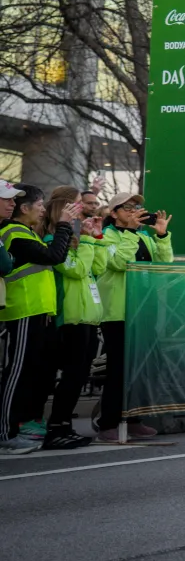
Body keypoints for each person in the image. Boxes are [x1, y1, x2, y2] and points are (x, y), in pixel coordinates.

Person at [0, 184, 79, 453]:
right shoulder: (12, 232)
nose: (44, 210)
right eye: (40, 205)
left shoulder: (26, 233)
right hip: (22, 310)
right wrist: (65, 226)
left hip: (36, 312)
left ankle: (17, 428)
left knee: (30, 376)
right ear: (26, 208)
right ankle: (5, 433)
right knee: (16, 375)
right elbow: (54, 256)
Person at [96, 192, 171, 442]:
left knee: (140, 368)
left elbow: (163, 264)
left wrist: (161, 236)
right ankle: (108, 422)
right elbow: (119, 262)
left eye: (137, 207)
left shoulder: (143, 236)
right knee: (118, 369)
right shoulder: (105, 236)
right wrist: (129, 231)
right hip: (117, 312)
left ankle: (134, 418)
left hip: (143, 310)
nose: (133, 211)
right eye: (126, 207)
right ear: (113, 213)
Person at [43, 187, 108, 450]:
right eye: (78, 204)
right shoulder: (52, 239)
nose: (83, 209)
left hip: (88, 319)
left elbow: (98, 268)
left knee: (79, 376)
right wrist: (88, 242)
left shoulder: (79, 239)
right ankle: (56, 426)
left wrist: (95, 238)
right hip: (69, 319)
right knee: (70, 376)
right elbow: (77, 270)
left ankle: (64, 426)